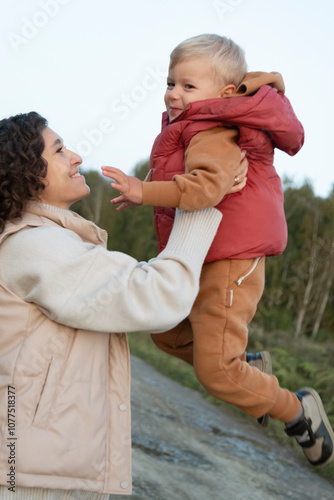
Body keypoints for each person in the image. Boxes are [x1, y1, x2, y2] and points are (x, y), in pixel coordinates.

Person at [101, 34, 334, 467]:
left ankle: (298, 411)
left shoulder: (212, 128)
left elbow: (207, 188)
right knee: (166, 329)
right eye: (171, 82)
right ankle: (246, 366)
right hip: (206, 254)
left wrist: (142, 190)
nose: (174, 93)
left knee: (215, 372)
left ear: (224, 95)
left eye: (188, 86)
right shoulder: (193, 124)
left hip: (232, 259)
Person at [0, 111, 249, 499]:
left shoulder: (36, 242)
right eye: (60, 149)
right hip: (32, 479)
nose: (77, 157)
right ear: (25, 168)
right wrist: (197, 202)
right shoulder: (37, 246)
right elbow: (159, 296)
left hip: (37, 467)